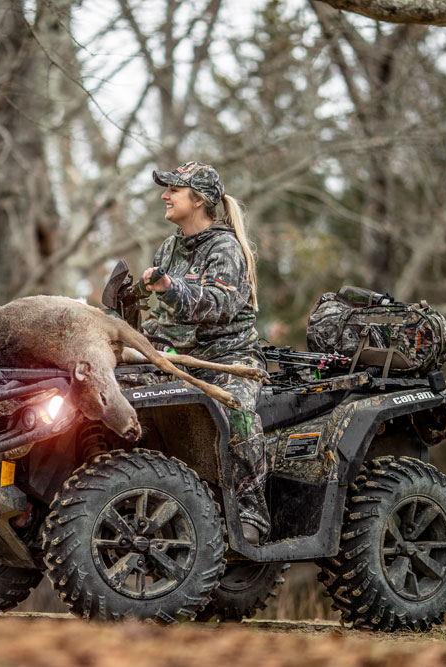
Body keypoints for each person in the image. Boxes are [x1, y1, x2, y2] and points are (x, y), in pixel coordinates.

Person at [141, 160, 270, 545]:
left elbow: (218, 305)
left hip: (229, 360)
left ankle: (252, 514)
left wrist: (170, 288)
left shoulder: (225, 247)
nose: (165, 196)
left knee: (238, 416)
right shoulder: (169, 247)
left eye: (174, 190)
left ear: (199, 201)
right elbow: (151, 310)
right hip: (174, 359)